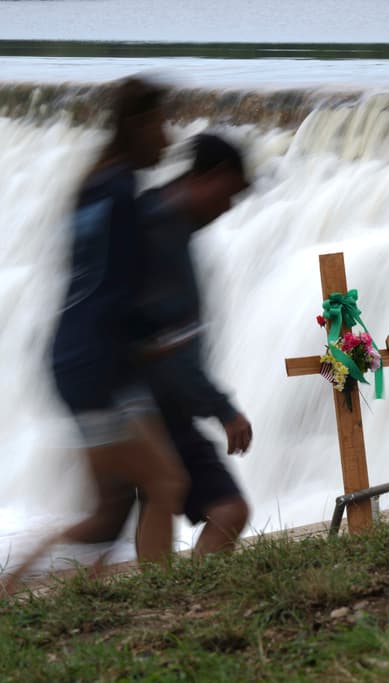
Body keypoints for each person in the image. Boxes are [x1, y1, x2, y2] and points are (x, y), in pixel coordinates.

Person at [3, 76, 189, 595]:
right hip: (98, 364)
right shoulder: (123, 192)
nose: (168, 139)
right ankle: (160, 602)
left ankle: (23, 586)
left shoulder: (95, 184)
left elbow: (90, 279)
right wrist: (161, 335)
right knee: (163, 483)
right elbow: (122, 289)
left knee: (110, 511)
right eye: (162, 124)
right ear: (139, 125)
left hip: (80, 356)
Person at [137, 133, 253, 557]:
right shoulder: (164, 233)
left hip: (129, 399)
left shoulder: (149, 214)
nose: (227, 208)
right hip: (160, 401)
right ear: (214, 176)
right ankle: (188, 601)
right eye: (229, 195)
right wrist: (223, 409)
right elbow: (170, 342)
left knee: (157, 497)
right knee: (229, 509)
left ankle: (155, 604)